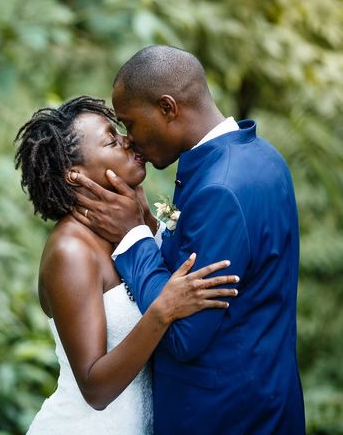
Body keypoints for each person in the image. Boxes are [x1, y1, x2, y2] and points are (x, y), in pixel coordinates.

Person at [71, 46, 305, 434]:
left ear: (167, 108)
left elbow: (183, 335)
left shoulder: (220, 189)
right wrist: (149, 224)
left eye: (130, 123)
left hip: (225, 417)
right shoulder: (261, 157)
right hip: (267, 401)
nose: (130, 140)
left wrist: (133, 237)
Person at [14, 95, 239, 434]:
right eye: (111, 139)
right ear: (74, 174)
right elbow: (95, 388)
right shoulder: (71, 251)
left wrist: (145, 222)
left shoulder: (129, 230)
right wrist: (162, 311)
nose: (128, 140)